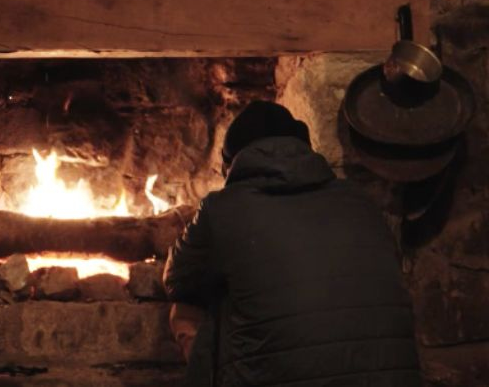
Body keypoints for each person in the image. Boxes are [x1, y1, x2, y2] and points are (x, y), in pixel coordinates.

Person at [164, 101, 421, 386]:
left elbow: (178, 280)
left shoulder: (222, 208)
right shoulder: (360, 200)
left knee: (195, 311)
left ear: (229, 163)